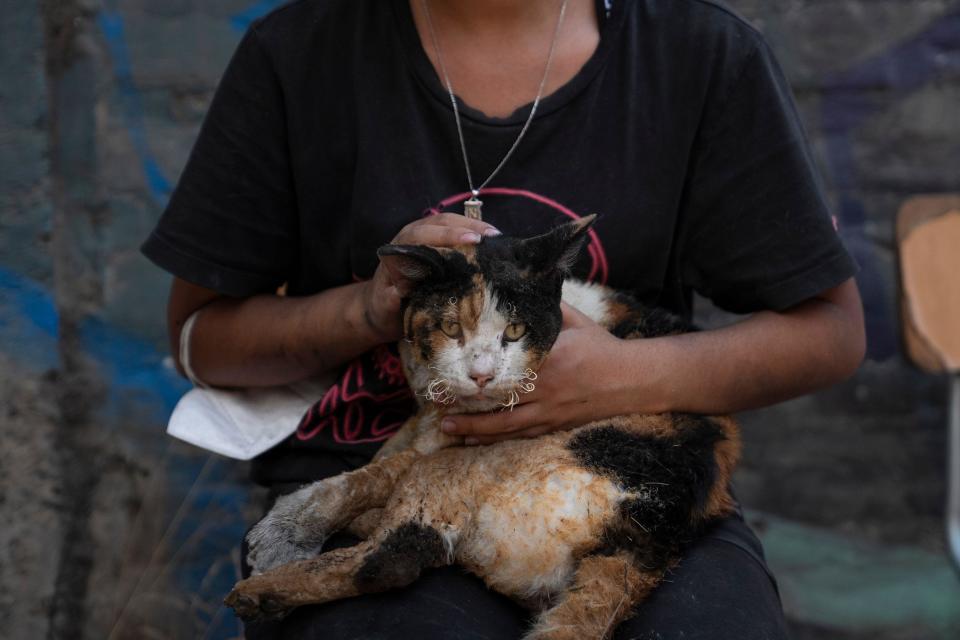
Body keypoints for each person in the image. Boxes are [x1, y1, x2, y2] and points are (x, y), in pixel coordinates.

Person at [142, 0, 865, 637]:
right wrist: (366, 308)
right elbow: (200, 340)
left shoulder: (700, 55)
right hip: (383, 489)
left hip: (625, 482)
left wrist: (619, 378)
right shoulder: (299, 55)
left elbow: (829, 332)